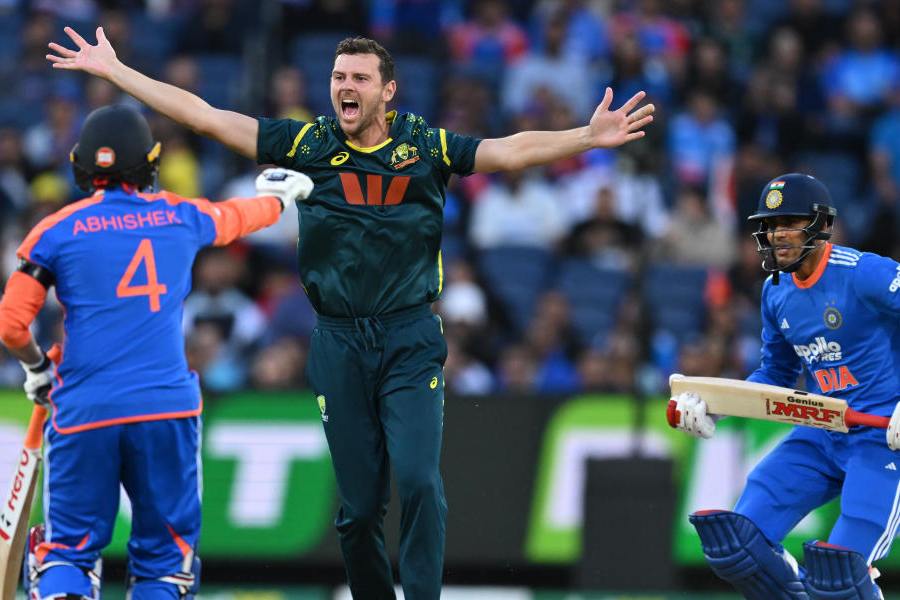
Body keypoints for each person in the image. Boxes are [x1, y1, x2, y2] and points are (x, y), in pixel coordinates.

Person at [45, 27, 655, 599]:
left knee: (419, 481)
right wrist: (118, 71)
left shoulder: (425, 145)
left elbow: (510, 151)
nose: (344, 87)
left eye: (360, 79)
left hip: (410, 339)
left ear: (388, 91)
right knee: (359, 510)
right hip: (338, 343)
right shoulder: (310, 145)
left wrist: (585, 136)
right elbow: (206, 117)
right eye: (339, 77)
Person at [0, 104, 312, 599]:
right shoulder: (181, 216)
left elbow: (11, 323)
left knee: (68, 554)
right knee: (166, 563)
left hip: (84, 411)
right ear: (149, 162)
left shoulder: (55, 230)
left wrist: (37, 368)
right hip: (166, 411)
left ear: (83, 165)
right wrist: (277, 200)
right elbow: (238, 218)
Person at [671, 173, 900, 599]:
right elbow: (774, 375)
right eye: (771, 225)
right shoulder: (775, 292)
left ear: (820, 225)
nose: (777, 235)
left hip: (884, 438)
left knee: (840, 576)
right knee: (738, 546)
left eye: (789, 223)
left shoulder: (864, 273)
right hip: (821, 434)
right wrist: (715, 404)